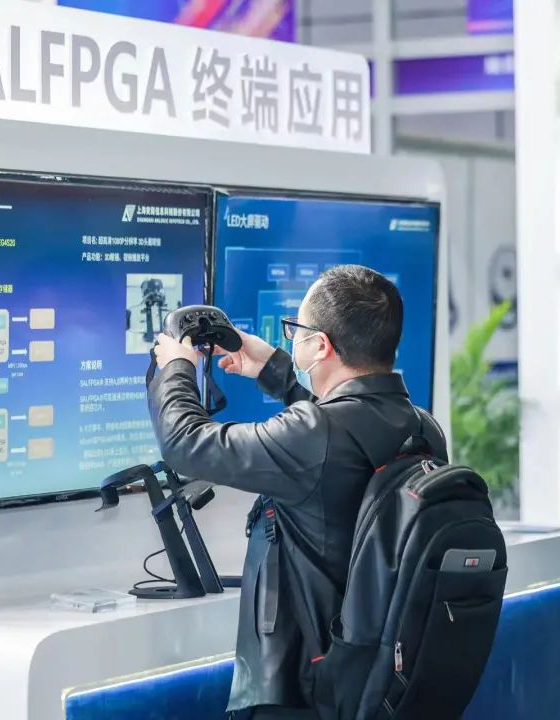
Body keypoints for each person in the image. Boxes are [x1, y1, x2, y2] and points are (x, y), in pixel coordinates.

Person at [148, 264, 446, 719]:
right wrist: (275, 371)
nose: (293, 339)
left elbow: (186, 444)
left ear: (320, 345)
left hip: (301, 689)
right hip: (377, 683)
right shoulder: (423, 427)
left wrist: (177, 367)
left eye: (297, 331)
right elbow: (340, 435)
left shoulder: (316, 434)